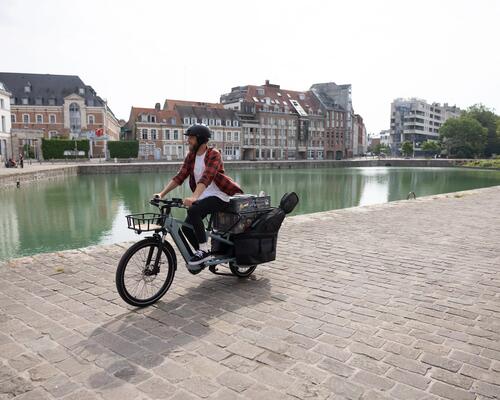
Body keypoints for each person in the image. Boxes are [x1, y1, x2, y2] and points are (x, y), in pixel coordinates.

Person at [154, 124, 243, 266]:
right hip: (202, 196)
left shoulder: (214, 154)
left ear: (201, 139)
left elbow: (206, 177)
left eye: (191, 138)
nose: (188, 140)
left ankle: (203, 250)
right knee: (186, 228)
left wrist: (194, 197)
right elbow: (180, 176)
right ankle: (203, 255)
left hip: (219, 196)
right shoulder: (191, 156)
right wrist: (161, 193)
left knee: (193, 210)